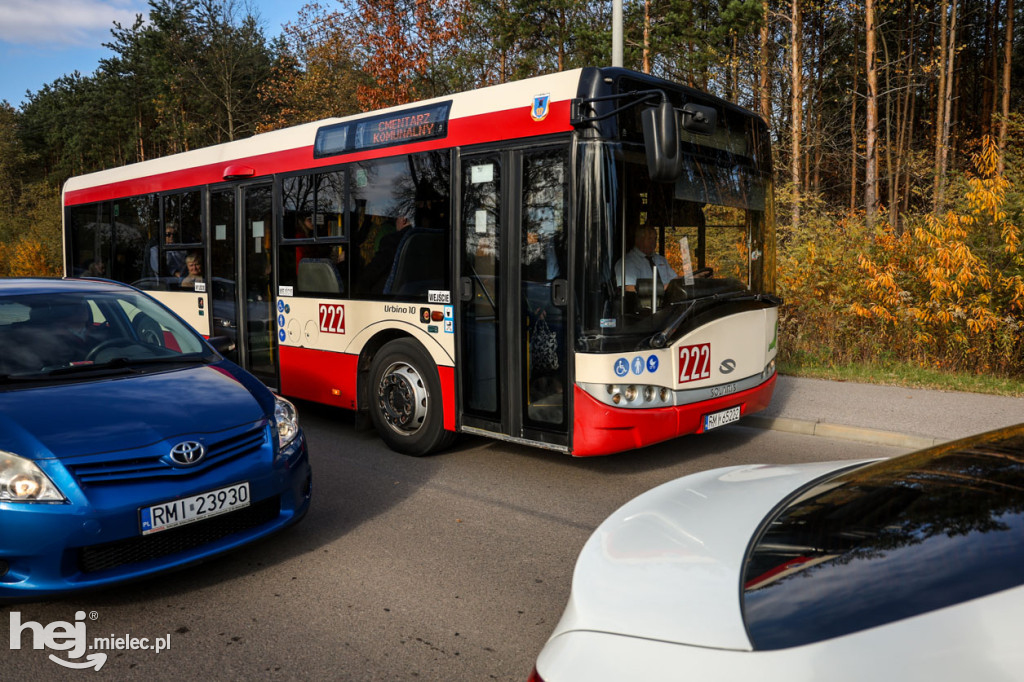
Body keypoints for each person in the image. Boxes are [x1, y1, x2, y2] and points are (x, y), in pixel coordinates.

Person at [614, 225, 677, 290]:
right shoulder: (626, 263)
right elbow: (629, 288)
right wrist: (661, 289)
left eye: (655, 239)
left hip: (669, 296)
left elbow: (674, 279)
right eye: (650, 238)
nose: (653, 242)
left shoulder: (661, 260)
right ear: (639, 240)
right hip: (646, 297)